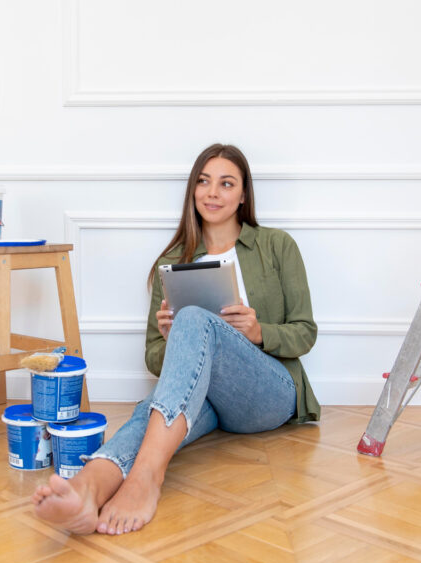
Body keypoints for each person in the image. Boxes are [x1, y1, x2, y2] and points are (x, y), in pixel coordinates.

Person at [31, 143, 319, 535]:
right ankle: (88, 487)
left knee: (195, 320)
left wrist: (258, 331)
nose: (212, 193)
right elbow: (154, 358)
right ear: (192, 190)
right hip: (212, 404)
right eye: (203, 182)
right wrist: (173, 339)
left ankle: (146, 478)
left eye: (226, 183)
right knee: (151, 409)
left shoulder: (276, 245)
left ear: (244, 194)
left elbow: (305, 332)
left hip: (270, 395)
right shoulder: (174, 262)